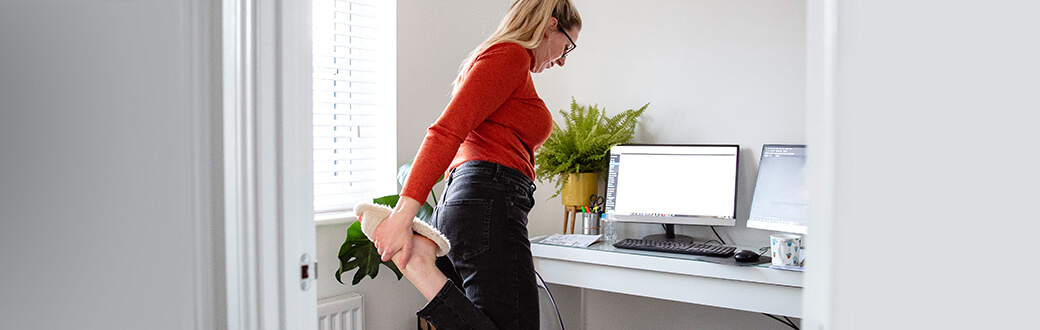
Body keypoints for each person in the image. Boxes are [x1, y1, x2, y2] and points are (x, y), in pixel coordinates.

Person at [368, 0, 581, 328]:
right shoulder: (510, 56)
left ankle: (424, 270)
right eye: (567, 47)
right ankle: (421, 267)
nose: (563, 61)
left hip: (475, 203)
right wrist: (403, 213)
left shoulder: (506, 62)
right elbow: (446, 130)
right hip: (490, 201)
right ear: (551, 25)